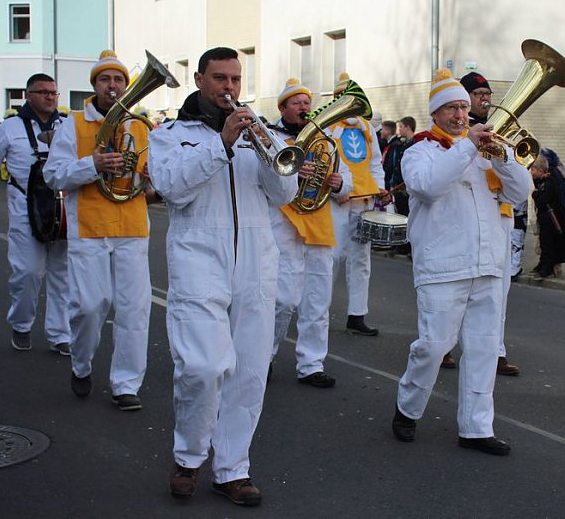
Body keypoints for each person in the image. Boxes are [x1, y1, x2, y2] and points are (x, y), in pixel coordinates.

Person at [149, 47, 297, 506]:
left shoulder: (261, 131)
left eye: (235, 78)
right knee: (203, 366)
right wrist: (223, 144)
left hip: (256, 259)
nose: (229, 87)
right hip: (199, 256)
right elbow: (171, 187)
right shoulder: (170, 135)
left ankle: (232, 468)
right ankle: (189, 456)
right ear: (199, 79)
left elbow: (284, 192)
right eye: (219, 78)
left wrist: (268, 148)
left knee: (250, 371)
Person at [392, 69, 530, 454]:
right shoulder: (420, 150)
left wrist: (503, 160)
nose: (460, 115)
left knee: (485, 348)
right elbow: (429, 186)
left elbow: (521, 193)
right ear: (435, 113)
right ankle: (408, 405)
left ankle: (476, 428)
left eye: (464, 108)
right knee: (434, 346)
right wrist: (468, 146)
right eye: (451, 108)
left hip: (488, 263)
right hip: (442, 266)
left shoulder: (485, 152)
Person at [43, 50, 151, 411]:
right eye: (105, 79)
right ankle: (81, 363)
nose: (113, 85)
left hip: (132, 227)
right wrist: (94, 164)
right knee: (90, 306)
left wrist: (154, 180)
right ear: (95, 86)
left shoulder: (138, 125)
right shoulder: (72, 124)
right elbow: (53, 175)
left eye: (118, 79)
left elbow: (152, 180)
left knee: (134, 311)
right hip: (89, 227)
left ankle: (126, 384)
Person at [0, 73, 71, 354]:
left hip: (61, 205)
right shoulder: (10, 127)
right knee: (27, 271)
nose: (50, 96)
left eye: (54, 92)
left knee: (62, 273)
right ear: (29, 95)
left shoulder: (67, 124)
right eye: (44, 92)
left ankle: (60, 333)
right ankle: (22, 324)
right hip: (25, 204)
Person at [268, 78, 352, 388]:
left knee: (318, 301)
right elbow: (265, 177)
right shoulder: (273, 137)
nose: (304, 107)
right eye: (296, 102)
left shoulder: (326, 137)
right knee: (281, 299)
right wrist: (290, 172)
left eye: (306, 102)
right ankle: (264, 358)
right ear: (283, 108)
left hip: (319, 226)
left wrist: (339, 183)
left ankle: (311, 364)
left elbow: (348, 180)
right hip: (284, 225)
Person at [457, 71, 522, 376]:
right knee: (458, 288)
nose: (485, 99)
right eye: (478, 93)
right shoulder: (457, 132)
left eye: (488, 94)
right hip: (468, 215)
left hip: (502, 213)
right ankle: (443, 347)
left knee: (499, 290)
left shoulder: (499, 130)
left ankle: (495, 351)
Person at [327, 73, 390, 336]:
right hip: (338, 200)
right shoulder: (328, 127)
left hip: (363, 200)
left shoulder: (366, 128)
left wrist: (380, 188)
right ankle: (319, 310)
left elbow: (375, 162)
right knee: (331, 258)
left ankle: (357, 314)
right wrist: (335, 191)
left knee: (361, 259)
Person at [529, 155, 565, 279]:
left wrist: (535, 194)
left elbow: (542, 199)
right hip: (543, 218)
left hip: (550, 219)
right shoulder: (542, 181)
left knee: (548, 243)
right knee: (544, 243)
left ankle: (547, 268)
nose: (531, 172)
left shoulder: (549, 182)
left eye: (533, 170)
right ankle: (543, 264)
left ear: (540, 170)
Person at [383, 116, 415, 257]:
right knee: (401, 216)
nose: (398, 130)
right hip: (398, 187)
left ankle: (409, 246)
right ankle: (402, 244)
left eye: (401, 126)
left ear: (408, 127)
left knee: (409, 217)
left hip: (406, 188)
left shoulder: (414, 144)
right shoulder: (403, 144)